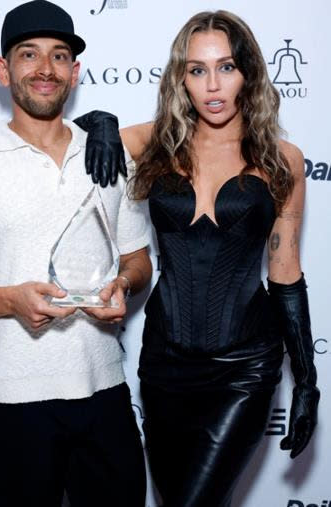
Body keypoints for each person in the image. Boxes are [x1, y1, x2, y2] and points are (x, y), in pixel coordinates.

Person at [0, 1, 151, 505]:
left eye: (59, 56)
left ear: (75, 72)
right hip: (10, 398)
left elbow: (138, 260)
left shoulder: (107, 155)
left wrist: (124, 284)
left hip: (103, 388)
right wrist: (12, 301)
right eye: (29, 55)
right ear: (4, 70)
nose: (45, 69)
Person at [112, 10, 320, 506]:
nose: (212, 85)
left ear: (248, 72)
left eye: (226, 67)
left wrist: (307, 382)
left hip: (245, 366)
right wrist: (97, 122)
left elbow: (285, 272)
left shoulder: (279, 159)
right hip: (164, 365)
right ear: (180, 78)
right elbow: (71, 145)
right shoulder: (155, 142)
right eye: (197, 69)